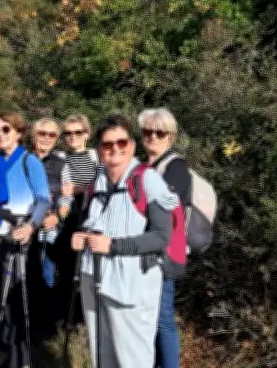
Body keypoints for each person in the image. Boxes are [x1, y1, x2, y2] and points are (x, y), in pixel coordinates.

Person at [72, 115, 178, 368]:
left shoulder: (147, 179)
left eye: (121, 142)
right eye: (107, 144)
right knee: (101, 354)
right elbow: (92, 221)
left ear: (131, 145)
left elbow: (161, 237)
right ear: (98, 150)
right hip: (93, 276)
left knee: (133, 359)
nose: (115, 149)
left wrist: (114, 246)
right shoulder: (97, 181)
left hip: (132, 285)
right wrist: (80, 235)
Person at [0, 111, 51, 368]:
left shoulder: (29, 161)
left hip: (19, 238)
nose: (0, 134)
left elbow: (43, 199)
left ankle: (19, 357)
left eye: (6, 129)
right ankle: (4, 351)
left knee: (16, 300)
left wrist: (30, 226)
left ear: (19, 133)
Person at [138, 107, 190, 368]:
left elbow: (168, 205)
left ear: (171, 136)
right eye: (148, 131)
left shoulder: (176, 166)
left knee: (163, 319)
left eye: (160, 132)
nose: (153, 137)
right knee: (150, 319)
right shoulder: (146, 166)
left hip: (166, 253)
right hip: (147, 251)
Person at [30, 118, 74, 338]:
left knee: (46, 277)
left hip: (48, 231)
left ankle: (41, 329)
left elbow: (67, 196)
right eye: (42, 133)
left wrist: (57, 216)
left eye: (52, 135)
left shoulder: (61, 163)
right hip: (21, 228)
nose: (46, 138)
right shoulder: (22, 159)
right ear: (33, 134)